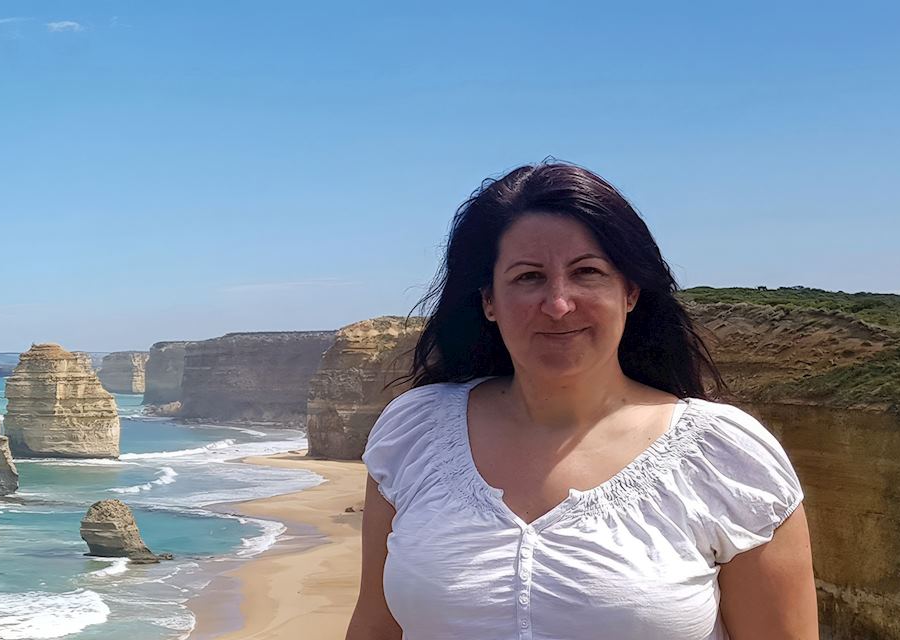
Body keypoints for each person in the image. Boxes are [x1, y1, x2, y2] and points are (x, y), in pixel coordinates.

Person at [345, 162, 817, 639]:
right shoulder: (415, 431)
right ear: (489, 300)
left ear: (630, 290)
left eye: (587, 272)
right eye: (528, 277)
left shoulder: (725, 459)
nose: (558, 304)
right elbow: (373, 625)